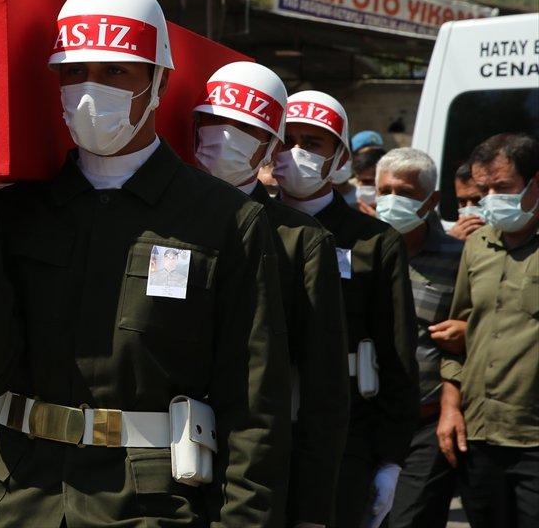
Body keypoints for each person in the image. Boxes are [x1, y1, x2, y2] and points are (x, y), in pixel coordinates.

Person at [0, 0, 292, 525]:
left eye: (115, 72)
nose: (89, 88)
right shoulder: (19, 209)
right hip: (12, 485)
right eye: (74, 71)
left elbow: (254, 405)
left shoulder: (225, 219)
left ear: (159, 82)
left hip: (145, 496)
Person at [193, 61, 350, 527]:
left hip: (255, 466)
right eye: (214, 121)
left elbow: (324, 387)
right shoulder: (164, 219)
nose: (224, 136)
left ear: (271, 143)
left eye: (244, 127)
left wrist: (313, 510)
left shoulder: (300, 239)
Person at [275, 91, 419, 528]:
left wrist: (391, 458)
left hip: (347, 433)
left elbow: (397, 357)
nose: (296, 153)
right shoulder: (248, 223)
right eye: (287, 140)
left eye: (313, 143)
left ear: (339, 156)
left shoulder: (375, 241)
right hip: (265, 430)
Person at [438, 132, 538, 528]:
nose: (491, 198)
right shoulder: (478, 245)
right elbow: (457, 333)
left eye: (503, 187)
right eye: (484, 190)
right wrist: (450, 408)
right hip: (478, 436)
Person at [373, 148, 466, 528]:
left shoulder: (459, 258)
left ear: (432, 201)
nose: (392, 201)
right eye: (385, 190)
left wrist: (468, 333)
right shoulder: (361, 249)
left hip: (425, 421)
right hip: (367, 420)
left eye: (406, 193)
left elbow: (476, 327)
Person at [448, 162, 486, 241]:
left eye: (477, 200)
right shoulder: (455, 238)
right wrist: (453, 243)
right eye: (462, 202)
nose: (469, 211)